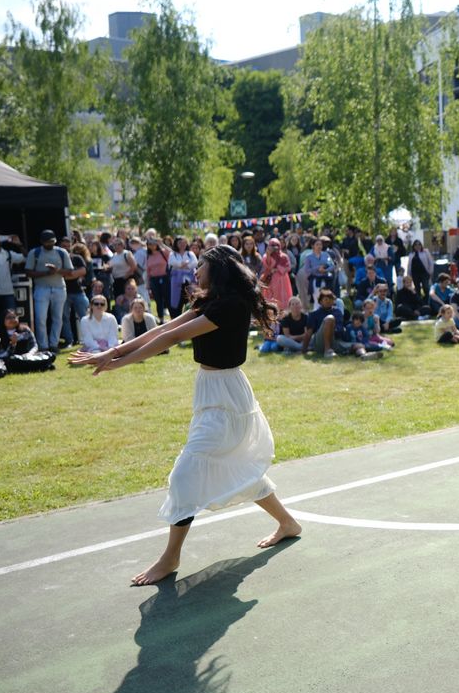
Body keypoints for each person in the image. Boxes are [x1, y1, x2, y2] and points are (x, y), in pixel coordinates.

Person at [70, 245, 302, 585]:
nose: (195, 270)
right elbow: (164, 328)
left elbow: (174, 336)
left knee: (186, 473)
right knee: (234, 465)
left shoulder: (231, 306)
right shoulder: (209, 301)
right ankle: (288, 523)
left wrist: (116, 363)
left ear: (217, 269)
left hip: (228, 396)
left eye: (201, 265)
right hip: (211, 390)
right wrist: (113, 352)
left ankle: (170, 557)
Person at [25, 229, 77, 353]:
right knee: (41, 318)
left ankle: (53, 344)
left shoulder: (62, 252)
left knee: (57, 317)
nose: (50, 244)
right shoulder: (35, 253)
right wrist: (46, 273)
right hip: (41, 288)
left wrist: (56, 271)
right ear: (42, 242)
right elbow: (28, 272)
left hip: (59, 288)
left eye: (52, 242)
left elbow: (70, 271)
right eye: (47, 242)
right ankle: (43, 345)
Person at [168, 237, 200, 321]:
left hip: (189, 282)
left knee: (190, 300)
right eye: (180, 243)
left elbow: (195, 263)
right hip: (177, 283)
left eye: (184, 243)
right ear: (176, 244)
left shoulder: (190, 253)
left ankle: (190, 319)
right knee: (177, 302)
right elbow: (172, 262)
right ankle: (176, 319)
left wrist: (184, 266)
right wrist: (181, 265)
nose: (182, 245)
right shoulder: (173, 254)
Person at [0, 235, 26, 319]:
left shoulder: (8, 254)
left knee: (11, 320)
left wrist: (19, 245)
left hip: (7, 293)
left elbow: (27, 257)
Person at [260, 238, 293, 310]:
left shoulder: (284, 256)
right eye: (272, 245)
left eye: (276, 245)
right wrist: (268, 254)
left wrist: (277, 268)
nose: (275, 247)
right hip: (270, 279)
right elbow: (267, 266)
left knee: (282, 296)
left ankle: (282, 310)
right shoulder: (266, 255)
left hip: (282, 280)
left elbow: (288, 267)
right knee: (271, 296)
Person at [143, 238, 171, 321]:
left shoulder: (162, 252)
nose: (152, 246)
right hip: (154, 279)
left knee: (167, 298)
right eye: (150, 244)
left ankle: (172, 317)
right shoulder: (148, 255)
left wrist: (161, 244)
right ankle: (161, 319)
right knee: (158, 300)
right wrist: (148, 283)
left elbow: (171, 252)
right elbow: (148, 271)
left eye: (153, 243)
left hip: (164, 277)